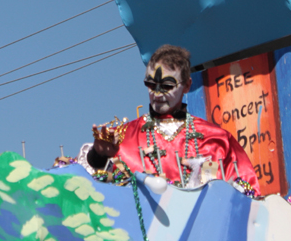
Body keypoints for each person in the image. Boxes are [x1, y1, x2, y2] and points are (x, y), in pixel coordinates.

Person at [85, 44, 260, 192]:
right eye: (151, 84)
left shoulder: (217, 139)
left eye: (167, 86)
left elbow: (247, 194)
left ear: (187, 85)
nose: (157, 93)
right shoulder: (121, 137)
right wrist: (99, 154)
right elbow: (94, 186)